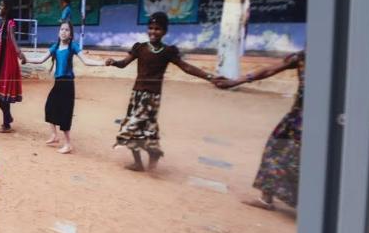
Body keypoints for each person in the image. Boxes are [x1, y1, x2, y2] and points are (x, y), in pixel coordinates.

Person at [103, 12, 220, 171]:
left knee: (131, 129)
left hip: (152, 98)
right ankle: (141, 161)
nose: (153, 31)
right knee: (142, 130)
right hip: (136, 95)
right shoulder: (140, 48)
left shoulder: (168, 51)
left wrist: (210, 77)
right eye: (150, 28)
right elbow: (124, 63)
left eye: (157, 29)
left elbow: (186, 67)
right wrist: (114, 62)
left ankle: (153, 153)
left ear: (164, 31)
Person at [214, 51, 306, 210]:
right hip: (297, 117)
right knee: (274, 150)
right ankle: (266, 198)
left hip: (325, 122)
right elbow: (269, 70)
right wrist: (236, 81)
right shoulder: (304, 57)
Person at [27, 20, 97, 154]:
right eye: (61, 29)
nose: (63, 32)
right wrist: (25, 59)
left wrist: (103, 63)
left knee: (65, 114)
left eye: (66, 30)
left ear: (71, 34)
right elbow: (40, 59)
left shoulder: (73, 46)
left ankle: (68, 144)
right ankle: (54, 135)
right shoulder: (55, 47)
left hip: (67, 84)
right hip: (58, 83)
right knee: (50, 106)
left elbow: (86, 61)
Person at [0, 0, 25, 133]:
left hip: (7, 64)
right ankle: (7, 118)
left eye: (1, 6)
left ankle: (6, 123)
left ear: (7, 9)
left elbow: (13, 39)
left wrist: (20, 54)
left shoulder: (10, 24)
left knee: (2, 95)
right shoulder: (0, 25)